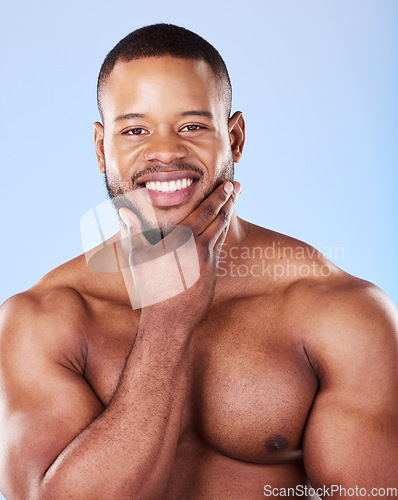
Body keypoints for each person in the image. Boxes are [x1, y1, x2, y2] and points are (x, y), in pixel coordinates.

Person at [0, 23, 397, 500]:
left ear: (235, 138)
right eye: (135, 130)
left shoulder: (339, 312)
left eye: (192, 126)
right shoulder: (41, 320)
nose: (165, 151)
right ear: (101, 149)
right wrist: (167, 321)